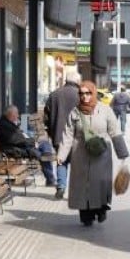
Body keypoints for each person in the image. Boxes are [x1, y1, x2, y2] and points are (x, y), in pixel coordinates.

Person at [57, 78, 128, 226]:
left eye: (88, 93)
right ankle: (86, 216)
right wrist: (61, 155)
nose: (85, 96)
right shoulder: (75, 112)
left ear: (93, 93)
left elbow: (115, 131)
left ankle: (101, 210)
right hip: (80, 155)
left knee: (100, 184)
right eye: (82, 93)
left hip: (101, 155)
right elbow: (68, 134)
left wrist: (122, 153)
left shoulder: (105, 110)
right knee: (83, 186)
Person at [42, 69, 81, 199]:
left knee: (61, 161)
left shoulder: (54, 94)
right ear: (76, 81)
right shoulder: (81, 95)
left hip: (58, 135)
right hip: (76, 137)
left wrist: (50, 132)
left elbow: (46, 116)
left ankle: (61, 186)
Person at [0, 105, 56, 186]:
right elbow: (15, 140)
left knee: (45, 144)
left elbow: (19, 137)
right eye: (16, 114)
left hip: (22, 145)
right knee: (39, 153)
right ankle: (50, 178)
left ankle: (47, 155)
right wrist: (32, 142)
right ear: (10, 115)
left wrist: (32, 141)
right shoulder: (3, 125)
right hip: (15, 149)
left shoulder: (9, 122)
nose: (18, 116)